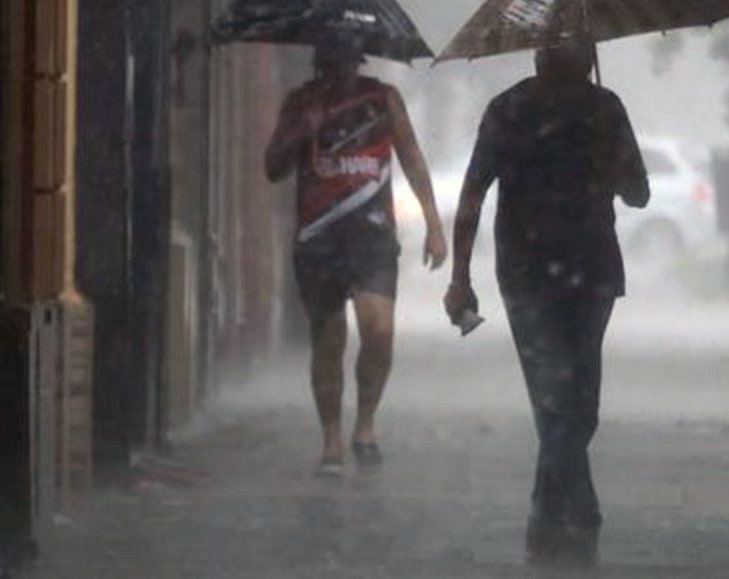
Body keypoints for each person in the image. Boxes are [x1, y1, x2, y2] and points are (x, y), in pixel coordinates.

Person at [444, 41, 649, 564]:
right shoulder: (530, 111)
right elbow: (473, 192)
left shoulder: (593, 111)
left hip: (567, 273)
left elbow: (639, 192)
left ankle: (552, 503)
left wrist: (608, 158)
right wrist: (460, 277)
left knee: (572, 404)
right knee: (564, 398)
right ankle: (570, 512)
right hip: (546, 274)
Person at [266, 34, 447, 477]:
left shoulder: (383, 100)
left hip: (372, 236)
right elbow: (272, 168)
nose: (340, 73)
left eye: (347, 64)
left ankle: (365, 423)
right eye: (331, 64)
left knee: (378, 330)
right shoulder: (300, 102)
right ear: (319, 64)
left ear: (359, 62)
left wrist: (433, 224)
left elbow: (412, 157)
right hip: (319, 237)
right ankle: (331, 438)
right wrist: (300, 132)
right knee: (328, 341)